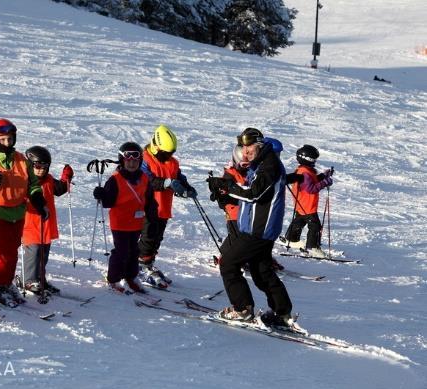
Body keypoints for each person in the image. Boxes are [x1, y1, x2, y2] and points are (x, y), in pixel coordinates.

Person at [207, 127, 294, 327]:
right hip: (258, 229)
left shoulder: (269, 166)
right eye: (243, 148)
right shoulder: (261, 163)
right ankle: (282, 313)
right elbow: (247, 194)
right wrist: (224, 192)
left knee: (228, 264)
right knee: (261, 271)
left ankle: (242, 309)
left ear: (260, 145)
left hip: (258, 230)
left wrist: (226, 186)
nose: (245, 152)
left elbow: (253, 193)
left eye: (249, 147)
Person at [0, 118, 48, 307]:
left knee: (12, 251)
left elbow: (33, 184)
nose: (7, 143)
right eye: (3, 140)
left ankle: (5, 282)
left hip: (18, 212)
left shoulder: (21, 160)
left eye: (10, 139)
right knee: (4, 252)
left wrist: (39, 201)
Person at [93, 142, 158, 293]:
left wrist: (153, 217)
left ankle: (131, 277)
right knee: (121, 251)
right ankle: (114, 278)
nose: (132, 164)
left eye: (135, 161)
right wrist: (101, 194)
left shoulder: (143, 178)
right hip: (120, 223)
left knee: (134, 251)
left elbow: (149, 200)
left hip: (136, 223)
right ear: (122, 161)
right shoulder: (115, 180)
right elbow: (108, 202)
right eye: (128, 161)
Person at [138, 125, 197, 289]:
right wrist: (167, 183)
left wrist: (187, 187)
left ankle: (148, 264)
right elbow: (146, 180)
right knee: (148, 238)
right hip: (147, 207)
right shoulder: (144, 160)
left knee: (157, 238)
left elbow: (178, 175)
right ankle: (140, 267)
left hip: (163, 207)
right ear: (156, 147)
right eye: (165, 153)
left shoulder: (172, 162)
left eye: (170, 153)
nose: (168, 156)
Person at [21, 145, 73, 295]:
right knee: (34, 254)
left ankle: (40, 279)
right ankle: (28, 280)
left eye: (45, 167)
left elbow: (61, 189)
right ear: (30, 165)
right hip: (30, 225)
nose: (41, 170)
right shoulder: (25, 182)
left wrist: (66, 177)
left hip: (46, 225)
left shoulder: (49, 180)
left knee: (43, 255)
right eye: (37, 166)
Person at [283, 145, 334, 258]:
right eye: (314, 159)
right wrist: (325, 182)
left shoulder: (305, 171)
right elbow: (311, 189)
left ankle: (291, 239)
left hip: (302, 204)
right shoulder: (305, 173)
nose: (315, 161)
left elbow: (313, 181)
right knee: (315, 226)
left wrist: (323, 176)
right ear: (308, 159)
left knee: (299, 221)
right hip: (307, 206)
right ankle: (312, 247)